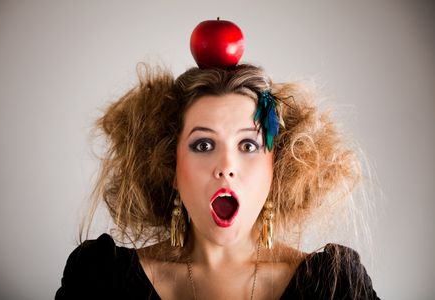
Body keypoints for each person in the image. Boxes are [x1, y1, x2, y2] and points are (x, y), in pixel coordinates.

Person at [56, 23, 379, 300]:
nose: (226, 165)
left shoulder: (334, 287)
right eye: (204, 144)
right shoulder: (101, 282)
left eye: (248, 145)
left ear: (275, 168)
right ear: (170, 166)